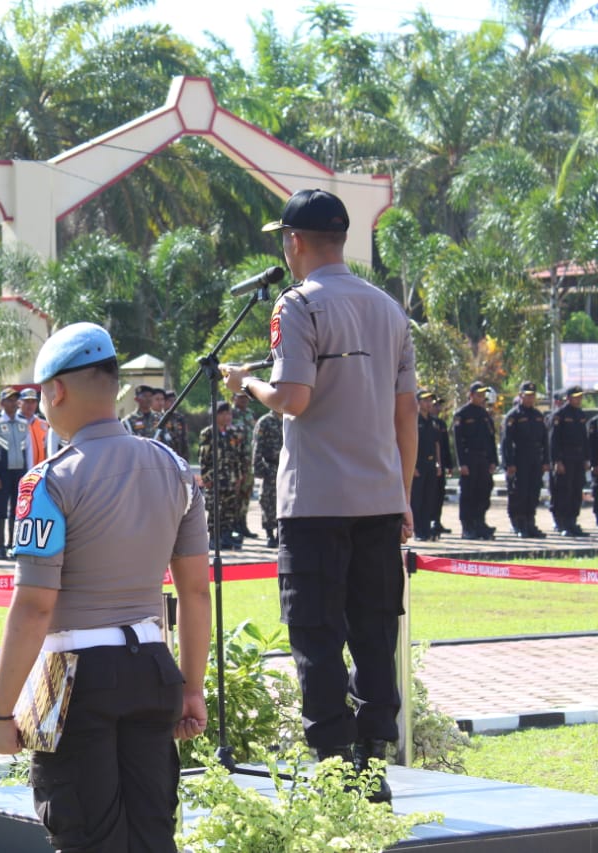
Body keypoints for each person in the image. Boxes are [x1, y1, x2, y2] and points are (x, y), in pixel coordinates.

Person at [222, 188, 417, 804]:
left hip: (315, 503)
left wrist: (245, 383)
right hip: (379, 500)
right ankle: (371, 761)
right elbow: (406, 413)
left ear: (295, 241)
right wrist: (403, 495)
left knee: (316, 634)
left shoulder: (297, 304)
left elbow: (292, 399)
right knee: (374, 632)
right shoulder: (389, 308)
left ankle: (333, 764)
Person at [0, 322, 210, 853]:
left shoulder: (48, 481)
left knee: (87, 837)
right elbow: (196, 593)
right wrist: (192, 688)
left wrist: (0, 713)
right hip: (154, 668)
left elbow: (34, 607)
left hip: (76, 680)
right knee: (153, 835)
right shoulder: (177, 470)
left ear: (56, 390)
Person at [501, 381, 548, 538]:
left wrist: (546, 461)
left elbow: (545, 440)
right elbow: (506, 442)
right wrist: (509, 463)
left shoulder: (538, 416)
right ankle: (519, 524)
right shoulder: (513, 416)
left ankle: (530, 523)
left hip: (534, 459)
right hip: (519, 459)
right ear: (520, 396)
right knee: (519, 493)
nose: (530, 398)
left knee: (533, 492)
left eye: (532, 395)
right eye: (527, 395)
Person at [0, 387, 30, 560]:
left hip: (20, 472)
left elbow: (29, 450)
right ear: (2, 403)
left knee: (18, 510)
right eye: (9, 400)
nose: (13, 403)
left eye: (15, 400)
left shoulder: (23, 422)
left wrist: (30, 473)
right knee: (0, 510)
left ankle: (14, 545)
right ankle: (0, 547)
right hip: (2, 472)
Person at [453, 382, 498, 539]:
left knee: (483, 491)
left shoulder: (484, 414)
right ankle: (467, 526)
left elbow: (491, 439)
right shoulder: (462, 414)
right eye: (478, 395)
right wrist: (462, 463)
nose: (481, 398)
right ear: (471, 395)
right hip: (469, 459)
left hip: (483, 459)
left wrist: (493, 460)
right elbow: (458, 442)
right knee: (468, 493)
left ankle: (480, 523)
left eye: (483, 395)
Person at [198, 400, 244, 551]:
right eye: (223, 413)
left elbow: (237, 457)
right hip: (215, 479)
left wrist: (238, 477)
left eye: (229, 413)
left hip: (230, 478)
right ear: (215, 415)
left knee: (229, 509)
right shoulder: (208, 433)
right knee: (214, 509)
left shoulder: (234, 433)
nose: (227, 417)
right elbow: (203, 458)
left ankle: (226, 536)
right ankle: (214, 538)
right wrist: (206, 478)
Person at [549, 386, 590, 536]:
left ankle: (572, 522)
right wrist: (557, 461)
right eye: (576, 397)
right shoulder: (559, 415)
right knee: (563, 491)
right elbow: (554, 441)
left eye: (580, 397)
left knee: (576, 490)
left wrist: (586, 459)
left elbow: (584, 439)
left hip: (578, 458)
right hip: (565, 459)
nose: (579, 400)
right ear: (568, 398)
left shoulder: (580, 414)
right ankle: (562, 523)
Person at [411, 391, 443, 541]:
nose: (429, 403)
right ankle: (418, 531)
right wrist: (412, 466)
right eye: (425, 400)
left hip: (431, 464)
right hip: (418, 464)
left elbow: (436, 444)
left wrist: (439, 464)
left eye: (430, 400)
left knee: (429, 499)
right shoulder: (413, 420)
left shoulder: (433, 421)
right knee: (417, 499)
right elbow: (409, 444)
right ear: (418, 402)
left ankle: (426, 529)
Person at [252, 408, 283, 548]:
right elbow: (257, 446)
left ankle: (281, 534)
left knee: (285, 501)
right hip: (270, 467)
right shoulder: (265, 421)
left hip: (287, 467)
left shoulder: (290, 419)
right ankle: (270, 534)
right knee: (268, 501)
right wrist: (259, 468)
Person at [231, 390, 257, 539]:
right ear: (233, 398)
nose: (244, 400)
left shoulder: (250, 414)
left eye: (246, 397)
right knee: (234, 495)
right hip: (235, 461)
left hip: (249, 460)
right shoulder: (228, 414)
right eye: (240, 397)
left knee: (246, 494)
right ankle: (233, 525)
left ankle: (243, 524)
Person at [432, 396, 454, 534]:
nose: (438, 408)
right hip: (428, 464)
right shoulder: (421, 421)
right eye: (436, 405)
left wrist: (449, 465)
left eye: (439, 405)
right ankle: (426, 523)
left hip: (440, 465)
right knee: (429, 496)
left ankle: (437, 521)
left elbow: (445, 446)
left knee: (439, 495)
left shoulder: (441, 423)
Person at [21, 388, 49, 466]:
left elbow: (46, 447)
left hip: (40, 467)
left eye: (33, 401)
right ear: (19, 403)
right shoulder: (15, 423)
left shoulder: (43, 424)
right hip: (22, 468)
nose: (30, 405)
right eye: (27, 401)